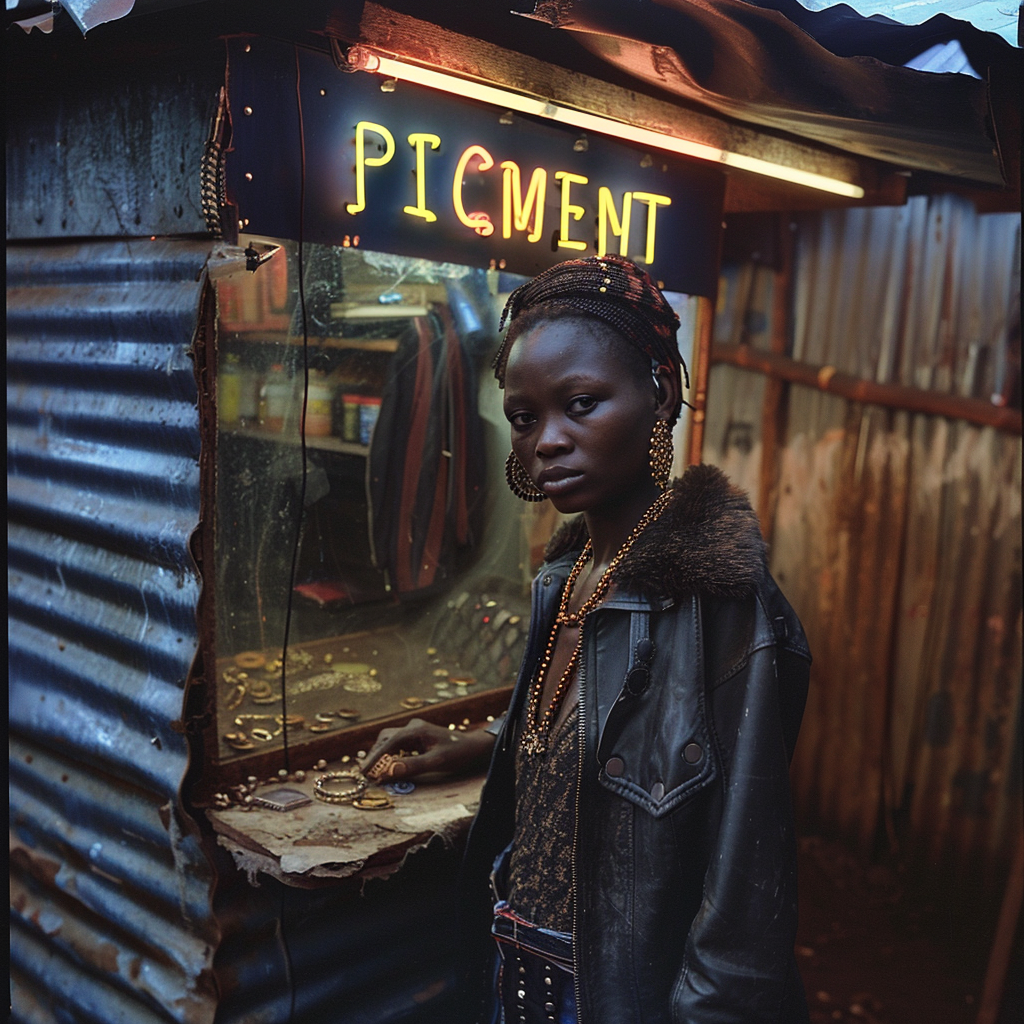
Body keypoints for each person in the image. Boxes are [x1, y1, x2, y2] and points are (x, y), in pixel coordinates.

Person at [362, 255, 811, 1024]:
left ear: (661, 393)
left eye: (581, 404)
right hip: (515, 969)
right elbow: (596, 734)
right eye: (527, 416)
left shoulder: (723, 611)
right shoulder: (566, 576)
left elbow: (745, 909)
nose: (548, 442)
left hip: (613, 994)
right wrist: (485, 744)